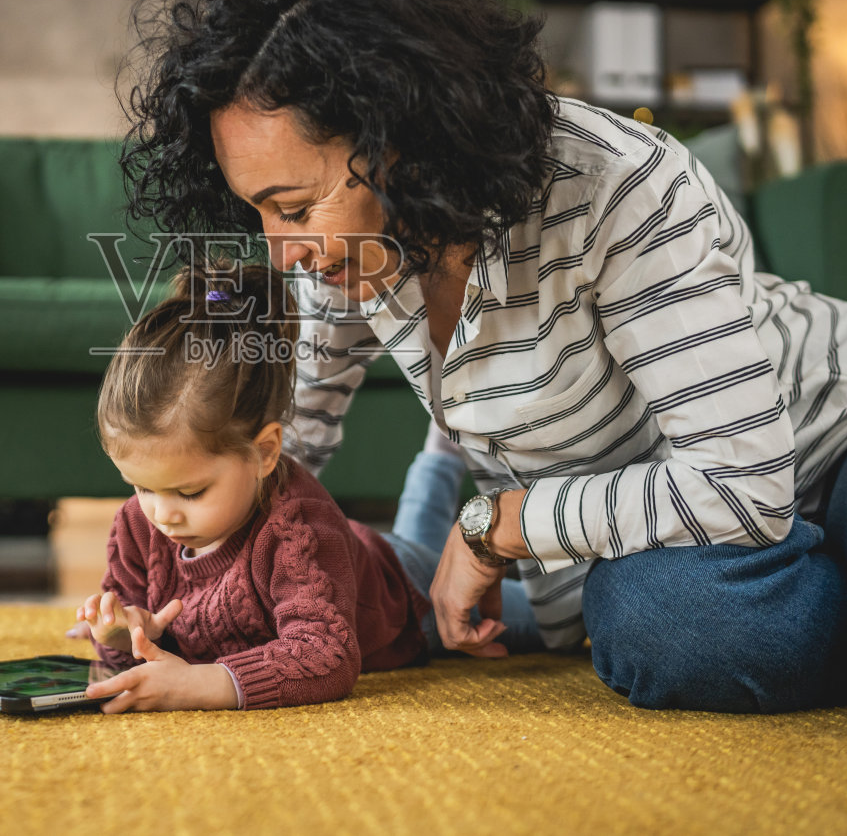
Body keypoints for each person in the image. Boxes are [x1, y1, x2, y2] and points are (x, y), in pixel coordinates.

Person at [114, 0, 847, 748]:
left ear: (396, 139)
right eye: (260, 216)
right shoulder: (342, 254)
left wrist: (496, 528)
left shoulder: (618, 188)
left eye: (296, 206)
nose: (284, 251)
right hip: (700, 532)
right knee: (653, 627)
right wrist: (176, 599)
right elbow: (282, 457)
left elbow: (739, 478)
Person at [75, 261, 541, 712]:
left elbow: (327, 657)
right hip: (363, 555)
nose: (162, 515)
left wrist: (200, 684)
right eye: (141, 487)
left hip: (404, 600)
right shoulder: (138, 526)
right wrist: (121, 637)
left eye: (190, 493)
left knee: (555, 619)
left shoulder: (296, 531)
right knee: (417, 538)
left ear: (265, 452)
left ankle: (449, 434)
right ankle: (442, 447)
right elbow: (136, 666)